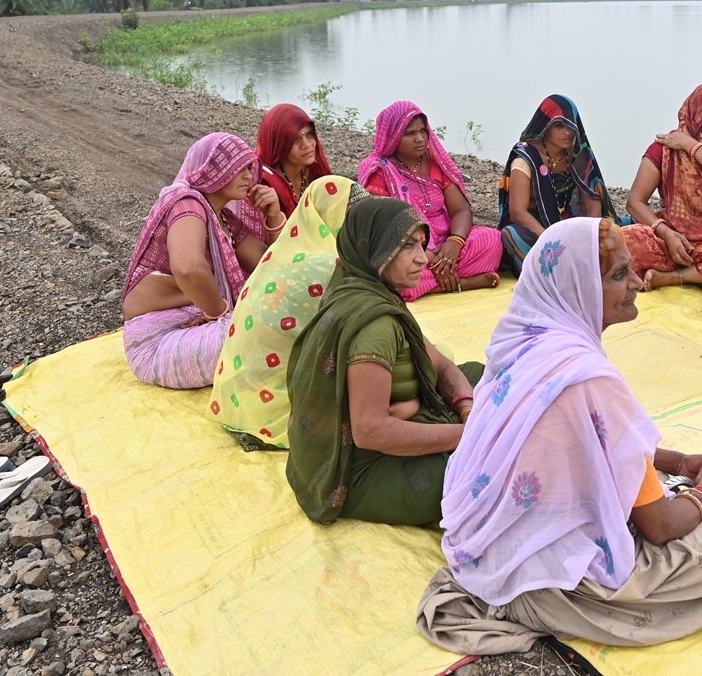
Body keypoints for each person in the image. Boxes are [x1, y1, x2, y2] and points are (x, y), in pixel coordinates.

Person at [417, 218, 702, 653]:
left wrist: (675, 464)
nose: (637, 283)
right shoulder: (590, 380)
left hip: (492, 547)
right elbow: (660, 528)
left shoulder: (521, 341)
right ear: (578, 288)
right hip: (555, 579)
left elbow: (586, 440)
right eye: (618, 275)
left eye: (630, 269)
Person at [285, 197, 485, 525]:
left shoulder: (369, 290)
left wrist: (467, 410)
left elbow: (443, 366)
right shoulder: (375, 326)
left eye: (422, 244)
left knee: (479, 375)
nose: (423, 259)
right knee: (493, 473)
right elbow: (370, 432)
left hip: (396, 422)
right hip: (364, 468)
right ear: (375, 249)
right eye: (407, 247)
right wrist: (469, 435)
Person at [209, 175, 368, 445]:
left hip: (241, 394)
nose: (362, 228)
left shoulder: (286, 253)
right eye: (354, 218)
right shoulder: (328, 265)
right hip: (276, 404)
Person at [122, 133, 256, 389]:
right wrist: (217, 312)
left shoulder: (224, 218)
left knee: (278, 317)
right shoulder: (187, 205)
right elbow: (188, 268)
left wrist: (274, 217)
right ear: (212, 170)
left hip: (194, 328)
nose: (248, 176)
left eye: (249, 167)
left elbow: (267, 265)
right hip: (156, 342)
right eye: (238, 168)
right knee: (268, 334)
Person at [358, 101, 501, 300]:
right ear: (393, 138)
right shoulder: (380, 172)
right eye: (410, 133)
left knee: (492, 240)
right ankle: (460, 283)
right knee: (392, 273)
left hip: (446, 248)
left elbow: (460, 210)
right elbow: (383, 229)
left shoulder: (435, 162)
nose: (420, 139)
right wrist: (428, 257)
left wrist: (455, 242)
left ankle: (439, 280)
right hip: (406, 247)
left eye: (423, 131)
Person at [622, 83, 702, 290]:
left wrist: (688, 145)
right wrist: (666, 233)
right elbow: (635, 202)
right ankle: (691, 273)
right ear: (699, 106)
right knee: (619, 242)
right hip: (673, 238)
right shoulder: (664, 149)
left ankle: (673, 277)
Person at [497, 95, 618, 274]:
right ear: (545, 125)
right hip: (536, 230)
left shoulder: (578, 156)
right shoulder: (526, 157)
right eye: (559, 125)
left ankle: (568, 267)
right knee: (512, 235)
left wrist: (586, 241)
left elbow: (593, 209)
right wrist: (552, 239)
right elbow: (518, 212)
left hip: (569, 225)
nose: (567, 132)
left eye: (571, 126)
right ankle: (558, 271)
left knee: (621, 229)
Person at [227, 103, 333, 267]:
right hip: (282, 264)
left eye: (310, 134)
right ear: (279, 144)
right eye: (295, 139)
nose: (307, 144)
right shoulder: (264, 185)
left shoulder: (313, 172)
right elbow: (264, 254)